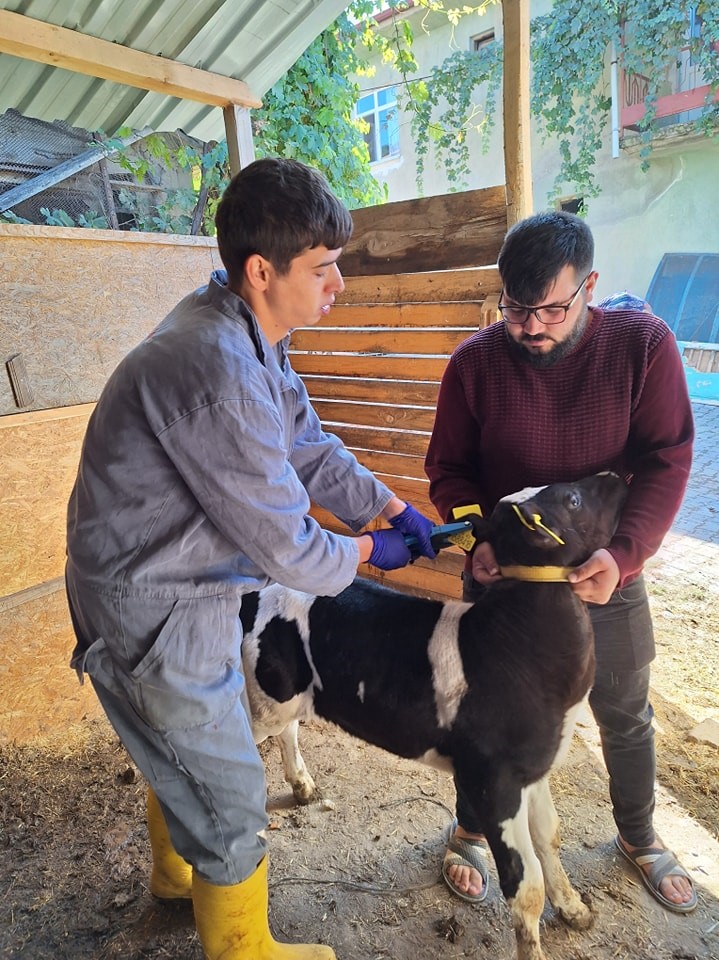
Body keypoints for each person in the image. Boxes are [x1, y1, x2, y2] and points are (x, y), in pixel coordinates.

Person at [65, 157, 438, 960]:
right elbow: (288, 548)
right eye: (325, 268)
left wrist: (386, 503)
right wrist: (370, 551)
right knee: (230, 793)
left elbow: (304, 443)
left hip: (169, 579)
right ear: (262, 270)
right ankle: (243, 951)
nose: (338, 285)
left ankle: (175, 880)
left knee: (190, 752)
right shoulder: (219, 369)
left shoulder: (247, 331)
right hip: (154, 600)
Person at [424, 210, 698, 915]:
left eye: (551, 308)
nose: (532, 327)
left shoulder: (642, 346)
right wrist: (472, 539)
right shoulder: (473, 364)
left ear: (590, 288)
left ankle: (637, 835)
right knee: (482, 712)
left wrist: (625, 553)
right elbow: (448, 472)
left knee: (623, 708)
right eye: (516, 309)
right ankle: (472, 827)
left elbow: (666, 459)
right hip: (504, 576)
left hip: (604, 573)